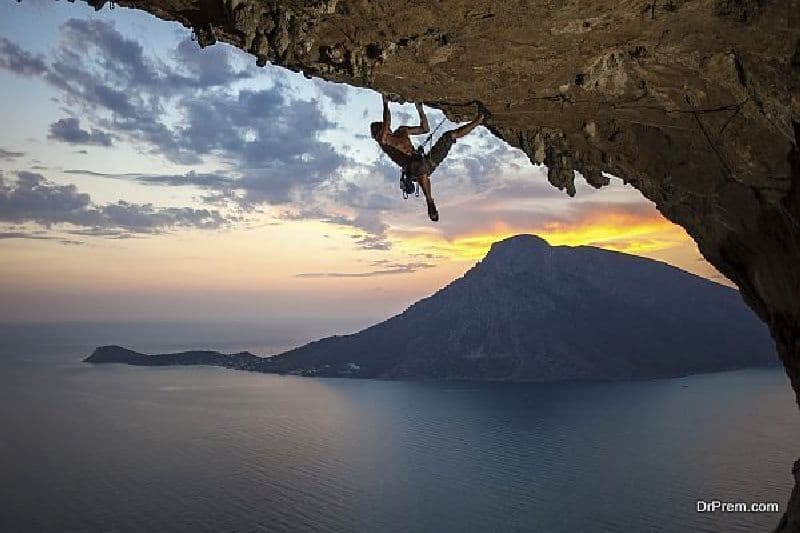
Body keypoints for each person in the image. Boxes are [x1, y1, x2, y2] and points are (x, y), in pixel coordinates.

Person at [370, 94, 484, 221]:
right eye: (378, 135)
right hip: (415, 168)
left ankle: (478, 121)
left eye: (378, 133)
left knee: (449, 135)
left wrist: (420, 109)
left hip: (425, 161)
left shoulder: (402, 131)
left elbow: (425, 129)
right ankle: (429, 200)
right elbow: (387, 121)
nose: (378, 136)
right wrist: (385, 103)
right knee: (419, 167)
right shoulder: (384, 142)